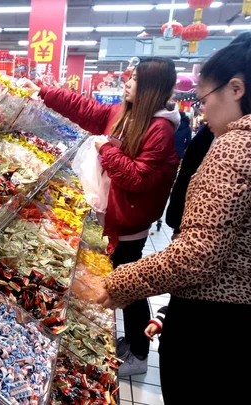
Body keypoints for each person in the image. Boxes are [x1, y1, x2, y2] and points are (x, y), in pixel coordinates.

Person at [97, 32, 251, 404]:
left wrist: (119, 283)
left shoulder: (235, 147)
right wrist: (165, 311)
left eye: (203, 98)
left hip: (214, 328)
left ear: (235, 89)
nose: (202, 111)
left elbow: (197, 254)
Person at [35, 57, 180, 376]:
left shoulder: (160, 130)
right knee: (124, 280)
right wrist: (44, 92)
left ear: (151, 88)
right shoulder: (125, 115)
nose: (127, 83)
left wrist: (105, 150)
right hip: (119, 215)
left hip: (131, 220)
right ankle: (131, 340)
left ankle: (139, 355)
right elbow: (88, 110)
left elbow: (138, 178)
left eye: (135, 79)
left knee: (129, 285)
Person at [165, 124, 214, 235]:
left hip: (198, 230)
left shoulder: (226, 141)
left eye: (206, 105)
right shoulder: (207, 133)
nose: (205, 111)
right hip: (190, 222)